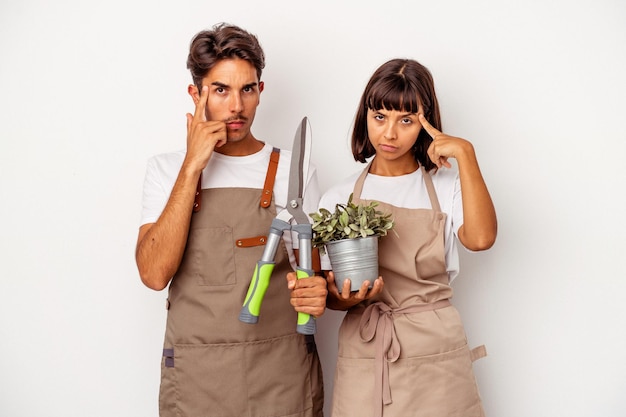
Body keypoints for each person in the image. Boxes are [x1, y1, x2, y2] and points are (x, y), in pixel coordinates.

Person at [135, 23, 326, 417]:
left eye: (247, 89)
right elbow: (154, 275)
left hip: (282, 373)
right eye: (220, 89)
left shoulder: (294, 169)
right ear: (196, 93)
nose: (236, 106)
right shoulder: (166, 169)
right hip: (197, 377)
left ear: (260, 91)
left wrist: (318, 290)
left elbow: (318, 272)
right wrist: (192, 167)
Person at [321, 58, 497, 416]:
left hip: (435, 351)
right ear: (364, 117)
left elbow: (480, 239)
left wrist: (466, 154)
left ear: (426, 123)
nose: (389, 134)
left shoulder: (447, 187)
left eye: (406, 120)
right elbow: (330, 295)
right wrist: (348, 299)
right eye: (380, 117)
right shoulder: (338, 197)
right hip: (367, 345)